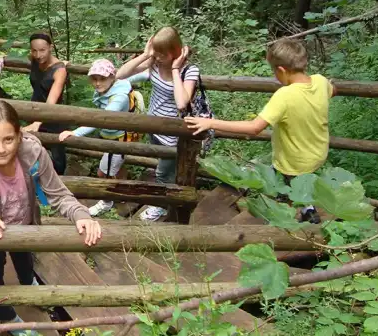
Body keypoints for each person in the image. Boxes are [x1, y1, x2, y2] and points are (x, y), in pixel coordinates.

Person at [0, 100, 102, 335]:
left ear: (19, 135)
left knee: (24, 256)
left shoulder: (34, 153)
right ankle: (7, 317)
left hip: (24, 220)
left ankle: (29, 283)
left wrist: (81, 214)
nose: (1, 149)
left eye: (8, 139)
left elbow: (58, 193)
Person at [185, 39, 332, 223]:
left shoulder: (285, 96)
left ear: (281, 70)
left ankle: (301, 215)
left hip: (294, 162)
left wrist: (211, 123)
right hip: (317, 153)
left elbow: (254, 127)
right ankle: (305, 207)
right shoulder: (321, 81)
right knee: (301, 182)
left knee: (282, 182)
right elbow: (333, 90)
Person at [116, 26, 199, 222]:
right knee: (163, 168)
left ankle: (161, 206)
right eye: (156, 51)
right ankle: (169, 195)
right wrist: (146, 55)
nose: (158, 56)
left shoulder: (189, 70)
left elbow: (182, 102)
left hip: (173, 133)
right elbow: (120, 74)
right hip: (154, 127)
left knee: (162, 172)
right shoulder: (153, 64)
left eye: (162, 53)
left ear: (175, 51)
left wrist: (176, 69)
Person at [58, 59, 148, 216]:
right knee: (117, 166)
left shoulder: (119, 97)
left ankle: (106, 202)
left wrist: (75, 133)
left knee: (103, 173)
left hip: (120, 138)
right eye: (94, 78)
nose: (97, 83)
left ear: (112, 77)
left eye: (102, 78)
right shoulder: (119, 82)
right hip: (115, 134)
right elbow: (137, 77)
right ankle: (122, 193)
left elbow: (100, 119)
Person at [23, 32, 68, 174]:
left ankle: (61, 187)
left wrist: (38, 122)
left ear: (51, 47)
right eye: (34, 50)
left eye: (42, 50)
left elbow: (51, 102)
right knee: (31, 152)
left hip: (53, 117)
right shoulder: (34, 60)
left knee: (58, 159)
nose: (38, 55)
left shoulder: (59, 70)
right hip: (34, 112)